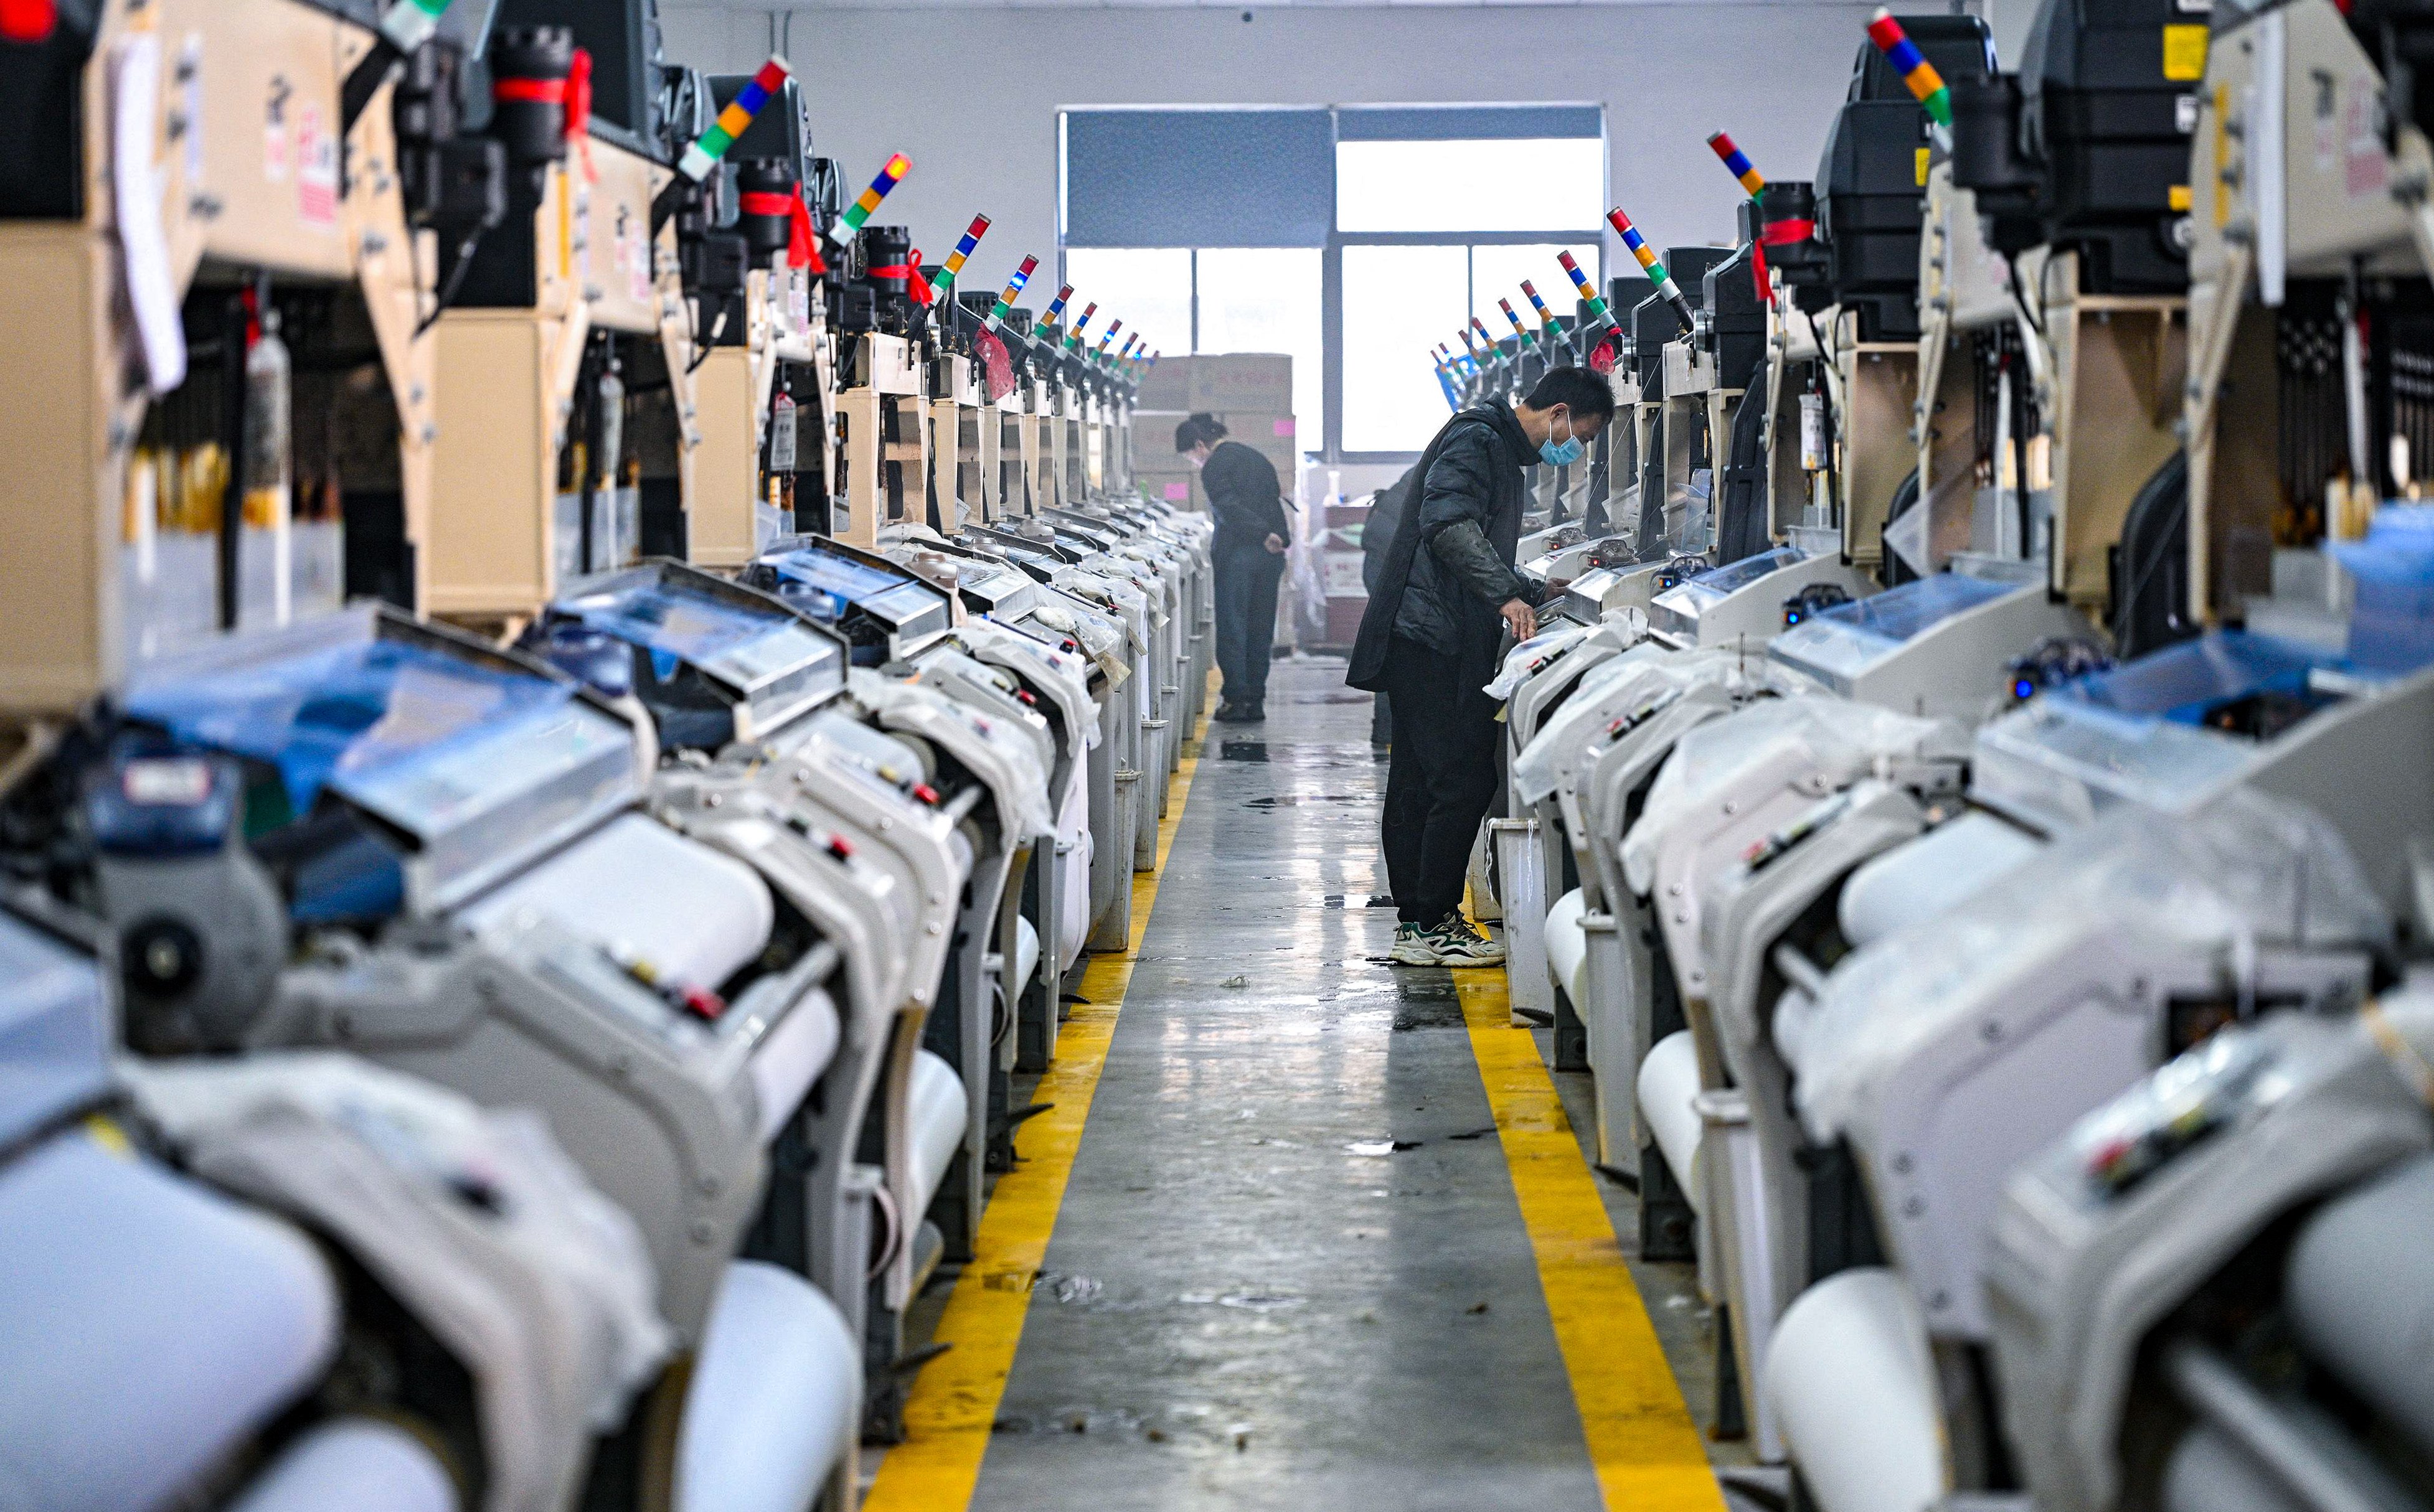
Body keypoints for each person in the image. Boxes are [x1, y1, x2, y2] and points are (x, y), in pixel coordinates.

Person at [1346, 367, 1615, 967]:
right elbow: (1446, 525)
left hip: (1430, 629)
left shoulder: (1492, 442)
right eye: (1584, 435)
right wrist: (1507, 595)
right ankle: (1433, 922)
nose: (1576, 449)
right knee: (1463, 778)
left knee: (1419, 780)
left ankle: (1417, 924)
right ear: (1559, 414)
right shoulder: (1480, 440)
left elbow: (1476, 545)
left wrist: (1533, 588)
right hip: (1429, 633)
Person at [1179, 413, 1290, 721]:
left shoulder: (1215, 465)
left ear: (1200, 446)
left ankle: (1235, 701)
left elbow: (1227, 508)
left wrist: (1261, 534)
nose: (1194, 463)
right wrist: (1279, 538)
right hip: (1270, 557)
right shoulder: (1255, 456)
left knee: (1233, 627)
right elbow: (1273, 501)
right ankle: (1256, 700)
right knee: (1261, 628)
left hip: (1239, 556)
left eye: (1191, 457)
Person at [1359, 464, 1418, 746]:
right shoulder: (1467, 462)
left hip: (1384, 554)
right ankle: (1388, 730)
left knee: (1396, 643)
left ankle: (1386, 729)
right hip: (1392, 559)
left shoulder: (1448, 454)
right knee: (1399, 645)